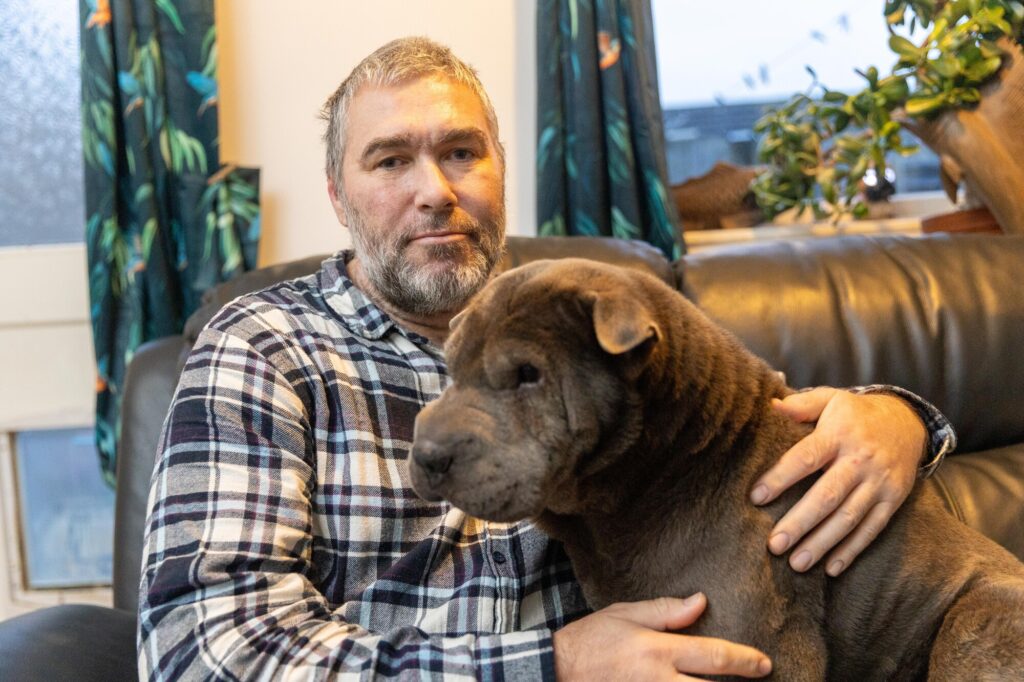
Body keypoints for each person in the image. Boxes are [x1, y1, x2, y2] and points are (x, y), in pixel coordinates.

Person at [138, 37, 955, 680]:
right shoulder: (262, 349)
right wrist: (549, 666)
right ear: (338, 196)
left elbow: (749, 431)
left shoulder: (591, 315)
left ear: (501, 168)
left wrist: (905, 419)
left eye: (462, 152)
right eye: (390, 160)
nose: (435, 190)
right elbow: (205, 655)